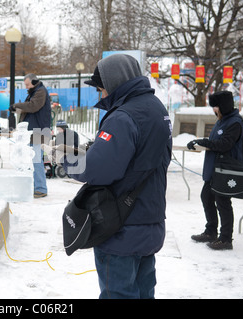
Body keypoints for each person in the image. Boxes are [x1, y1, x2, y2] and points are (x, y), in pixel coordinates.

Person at [62, 54, 172, 299]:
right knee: (144, 292)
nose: (101, 95)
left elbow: (97, 170)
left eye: (101, 89)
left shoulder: (123, 116)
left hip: (121, 226)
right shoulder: (156, 109)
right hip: (150, 221)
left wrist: (66, 161)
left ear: (114, 83)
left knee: (118, 294)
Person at [188, 91, 243, 250]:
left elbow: (225, 144)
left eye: (216, 106)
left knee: (222, 201)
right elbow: (215, 141)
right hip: (215, 168)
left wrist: (205, 142)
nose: (214, 110)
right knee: (206, 196)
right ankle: (211, 231)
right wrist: (198, 143)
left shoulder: (235, 122)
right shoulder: (222, 121)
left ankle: (226, 238)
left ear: (224, 106)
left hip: (226, 169)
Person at [10, 74, 51, 198]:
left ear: (34, 81)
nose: (26, 87)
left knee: (36, 160)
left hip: (38, 130)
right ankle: (37, 186)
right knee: (33, 160)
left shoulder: (40, 92)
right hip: (34, 131)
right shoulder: (34, 92)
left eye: (28, 84)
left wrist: (17, 106)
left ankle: (41, 188)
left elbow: (33, 106)